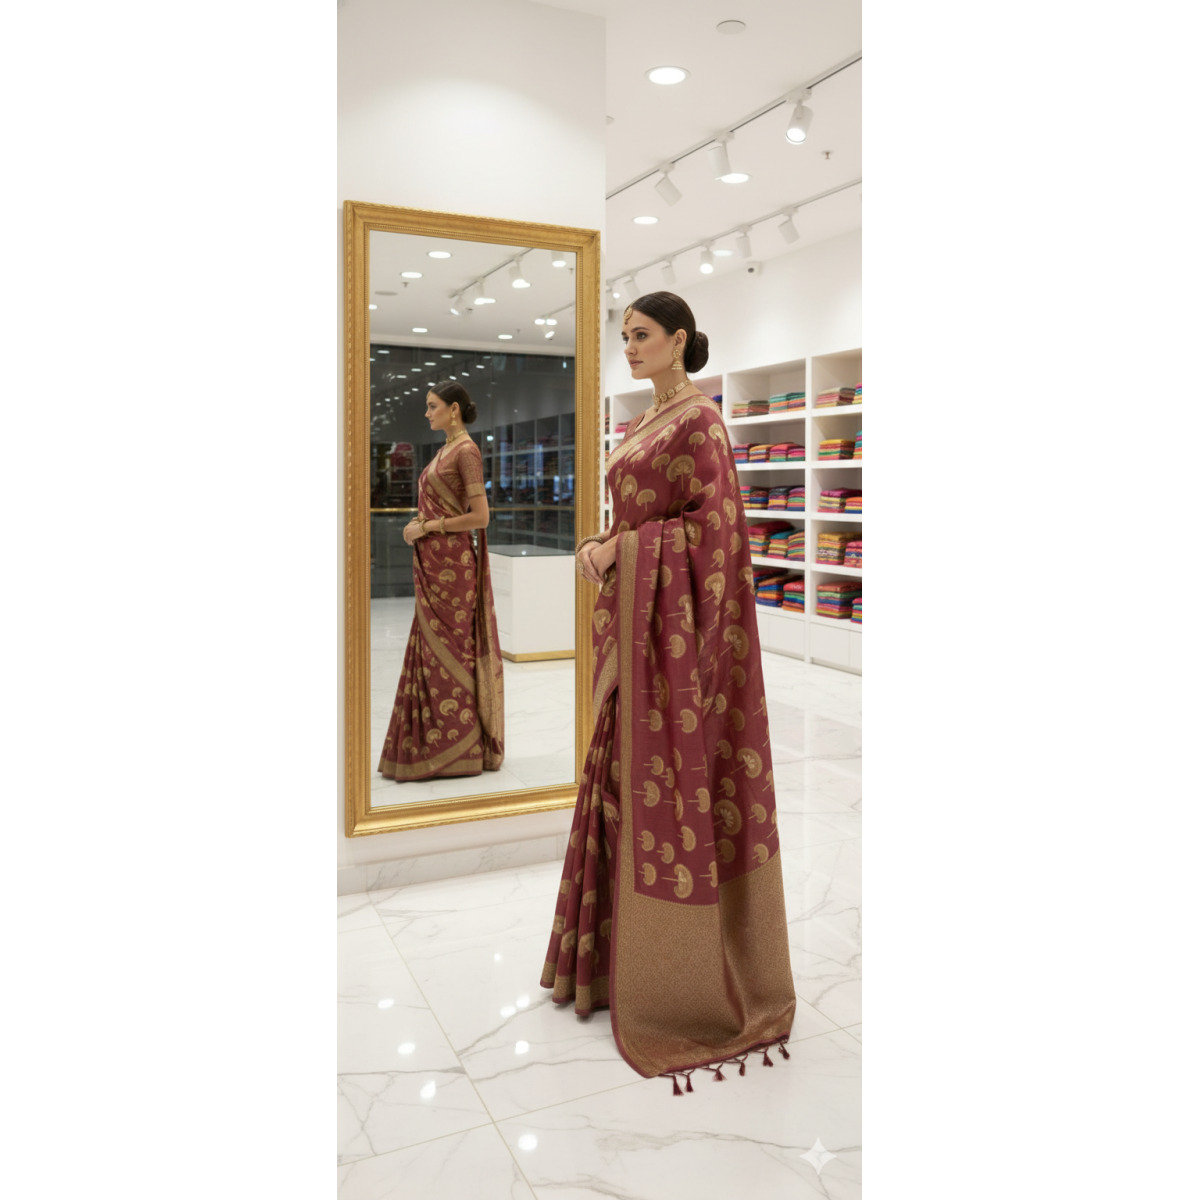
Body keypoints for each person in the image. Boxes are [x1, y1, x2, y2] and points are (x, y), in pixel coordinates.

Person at [541, 292, 796, 1093]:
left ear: (679, 340)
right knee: (618, 775)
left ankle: (680, 982)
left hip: (678, 642)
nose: (629, 346)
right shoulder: (645, 420)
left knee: (662, 783)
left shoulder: (702, 422)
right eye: (624, 336)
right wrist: (606, 543)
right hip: (638, 631)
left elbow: (716, 535)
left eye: (642, 335)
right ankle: (608, 961)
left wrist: (624, 552)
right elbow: (641, 516)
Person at [377, 382, 504, 781]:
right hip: (433, 563)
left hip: (452, 569)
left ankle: (459, 749)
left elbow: (481, 517)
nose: (427, 413)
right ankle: (431, 743)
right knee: (429, 651)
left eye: (432, 406)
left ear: (454, 409)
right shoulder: (445, 450)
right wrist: (419, 524)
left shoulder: (466, 451)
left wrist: (429, 526)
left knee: (451, 652)